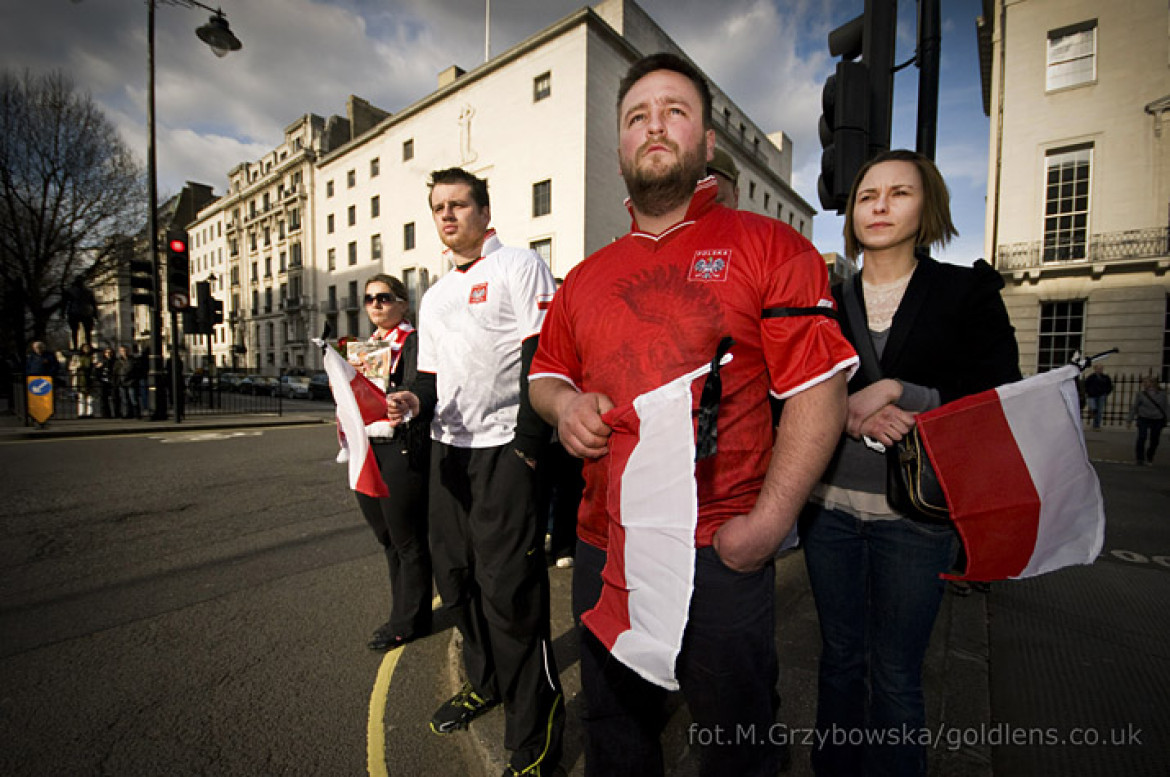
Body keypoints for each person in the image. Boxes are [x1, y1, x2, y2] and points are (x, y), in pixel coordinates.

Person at [529, 52, 856, 777]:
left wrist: (767, 526)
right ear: (619, 145)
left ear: (707, 142)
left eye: (674, 110)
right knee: (614, 725)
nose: (654, 126)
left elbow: (818, 391)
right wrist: (565, 406)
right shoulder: (582, 277)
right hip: (603, 544)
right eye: (637, 116)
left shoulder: (772, 245)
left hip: (720, 546)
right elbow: (546, 375)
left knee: (737, 740)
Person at [800, 149, 1020, 777]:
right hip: (830, 511)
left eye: (899, 193)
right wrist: (846, 411)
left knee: (896, 674)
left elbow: (1000, 393)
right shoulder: (822, 300)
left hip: (917, 517)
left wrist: (903, 392)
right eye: (868, 194)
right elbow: (792, 389)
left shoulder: (965, 291)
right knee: (839, 659)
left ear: (928, 207)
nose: (879, 205)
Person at [386, 167, 564, 777]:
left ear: (484, 211)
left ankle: (535, 735)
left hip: (505, 450)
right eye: (438, 207)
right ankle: (485, 683)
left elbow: (544, 356)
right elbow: (429, 382)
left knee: (510, 593)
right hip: (447, 453)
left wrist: (530, 447)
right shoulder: (434, 296)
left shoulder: (518, 266)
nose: (447, 215)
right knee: (457, 581)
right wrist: (410, 402)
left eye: (458, 204)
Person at [350, 273, 434, 651]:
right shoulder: (369, 347)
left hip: (402, 445)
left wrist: (400, 398)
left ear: (402, 302)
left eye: (384, 298)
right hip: (371, 445)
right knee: (387, 536)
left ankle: (409, 620)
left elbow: (421, 387)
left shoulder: (414, 342)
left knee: (406, 538)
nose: (376, 305)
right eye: (369, 299)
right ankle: (404, 611)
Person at [1128, 375, 1168, 465]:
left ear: (1152, 383)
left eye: (1146, 382)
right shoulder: (1141, 394)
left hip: (1157, 418)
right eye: (1144, 382)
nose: (1144, 384)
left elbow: (1165, 407)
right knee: (1141, 437)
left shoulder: (1162, 394)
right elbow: (1135, 407)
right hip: (1144, 417)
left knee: (1155, 439)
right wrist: (1129, 419)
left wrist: (1167, 418)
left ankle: (1150, 455)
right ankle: (1140, 458)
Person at [69, 343, 95, 418]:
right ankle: (81, 413)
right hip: (80, 377)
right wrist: (77, 367)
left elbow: (95, 366)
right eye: (85, 348)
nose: (86, 349)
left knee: (90, 397)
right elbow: (71, 367)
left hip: (89, 377)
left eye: (88, 348)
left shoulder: (92, 357)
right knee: (81, 396)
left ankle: (90, 413)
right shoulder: (77, 357)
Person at [1084, 364, 1113, 429]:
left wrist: (1106, 392)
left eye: (1101, 368)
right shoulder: (1091, 377)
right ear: (1095, 369)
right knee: (1094, 408)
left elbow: (1110, 386)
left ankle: (1096, 425)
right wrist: (1088, 392)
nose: (1100, 370)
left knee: (1099, 411)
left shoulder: (1105, 377)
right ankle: (1093, 414)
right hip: (1092, 395)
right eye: (1098, 368)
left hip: (1101, 395)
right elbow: (1086, 385)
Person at [114, 346, 139, 419]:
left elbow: (136, 370)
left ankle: (136, 413)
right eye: (122, 351)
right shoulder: (118, 361)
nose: (124, 352)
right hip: (121, 381)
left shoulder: (133, 360)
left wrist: (134, 379)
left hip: (131, 381)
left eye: (125, 350)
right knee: (124, 399)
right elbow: (115, 371)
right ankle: (128, 413)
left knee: (133, 398)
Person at [93, 347, 115, 419]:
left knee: (114, 397)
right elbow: (96, 371)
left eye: (110, 353)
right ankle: (105, 414)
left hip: (111, 381)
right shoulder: (102, 361)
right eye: (107, 353)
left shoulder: (114, 361)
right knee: (103, 398)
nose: (108, 354)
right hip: (103, 381)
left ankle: (115, 413)